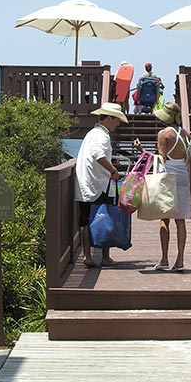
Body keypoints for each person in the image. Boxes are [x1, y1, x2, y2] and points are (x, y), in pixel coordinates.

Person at [133, 102, 191, 271]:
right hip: (183, 176)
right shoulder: (184, 133)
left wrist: (142, 150)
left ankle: (164, 259)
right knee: (181, 220)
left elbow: (161, 158)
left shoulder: (164, 134)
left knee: (165, 218)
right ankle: (180, 260)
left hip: (167, 176)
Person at [74, 102, 128, 268]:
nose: (118, 123)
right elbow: (99, 155)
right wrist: (113, 171)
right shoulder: (102, 136)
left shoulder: (92, 133)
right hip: (98, 185)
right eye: (117, 119)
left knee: (85, 221)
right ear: (109, 118)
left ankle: (87, 256)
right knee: (105, 217)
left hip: (85, 184)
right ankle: (105, 257)